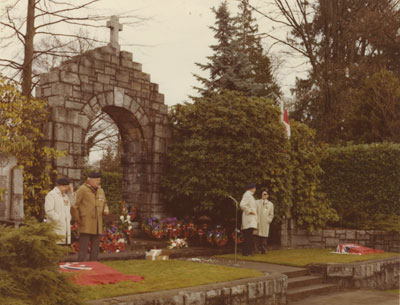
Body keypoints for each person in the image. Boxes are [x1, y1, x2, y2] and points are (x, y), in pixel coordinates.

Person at [71, 171, 109, 261]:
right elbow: (74, 206)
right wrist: (78, 219)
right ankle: (82, 267)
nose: (98, 182)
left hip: (97, 224)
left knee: (95, 249)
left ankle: (94, 266)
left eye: (99, 180)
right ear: (89, 180)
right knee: (83, 249)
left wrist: (106, 209)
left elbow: (105, 203)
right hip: (86, 223)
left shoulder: (101, 190)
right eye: (96, 180)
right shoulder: (82, 189)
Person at [44, 177, 75, 245]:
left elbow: (73, 204)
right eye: (66, 187)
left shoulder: (65, 196)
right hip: (56, 227)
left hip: (65, 227)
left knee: (63, 248)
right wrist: (59, 219)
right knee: (56, 247)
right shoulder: (51, 195)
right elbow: (49, 211)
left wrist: (71, 193)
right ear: (60, 185)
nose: (67, 189)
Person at [239, 182, 258, 256]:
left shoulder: (250, 196)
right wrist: (249, 211)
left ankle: (248, 252)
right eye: (254, 188)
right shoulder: (247, 195)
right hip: (249, 220)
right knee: (248, 236)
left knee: (249, 236)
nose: (255, 190)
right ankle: (247, 252)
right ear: (251, 188)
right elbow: (242, 205)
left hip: (251, 220)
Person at [254, 190, 274, 254]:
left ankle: (264, 250)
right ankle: (255, 250)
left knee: (264, 237)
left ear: (268, 196)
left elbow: (271, 214)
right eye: (262, 194)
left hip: (265, 223)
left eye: (265, 194)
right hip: (257, 221)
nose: (263, 195)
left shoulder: (270, 204)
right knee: (256, 236)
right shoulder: (256, 202)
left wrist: (268, 220)